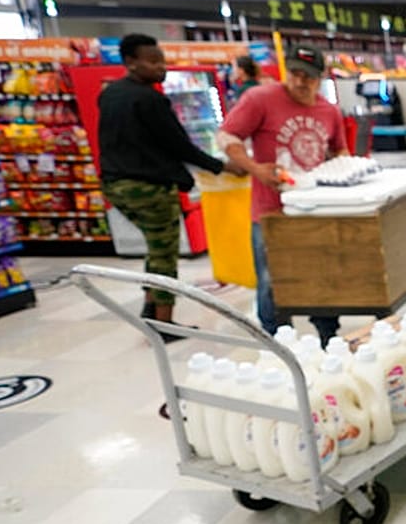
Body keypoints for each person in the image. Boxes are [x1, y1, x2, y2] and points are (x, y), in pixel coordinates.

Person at [97, 33, 232, 330]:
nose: (161, 67)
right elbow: (179, 146)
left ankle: (149, 310)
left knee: (155, 247)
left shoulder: (110, 93)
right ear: (130, 62)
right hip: (149, 189)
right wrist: (223, 167)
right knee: (164, 255)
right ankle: (165, 324)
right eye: (153, 61)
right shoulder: (150, 99)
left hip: (115, 184)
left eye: (163, 60)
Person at [216, 45, 348, 341]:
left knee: (321, 274)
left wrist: (341, 175)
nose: (300, 81)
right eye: (295, 73)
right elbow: (226, 136)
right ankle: (277, 340)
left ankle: (329, 335)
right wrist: (255, 168)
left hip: (313, 210)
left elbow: (339, 150)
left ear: (320, 78)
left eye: (309, 77)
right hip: (269, 211)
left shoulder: (328, 110)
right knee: (272, 279)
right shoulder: (260, 99)